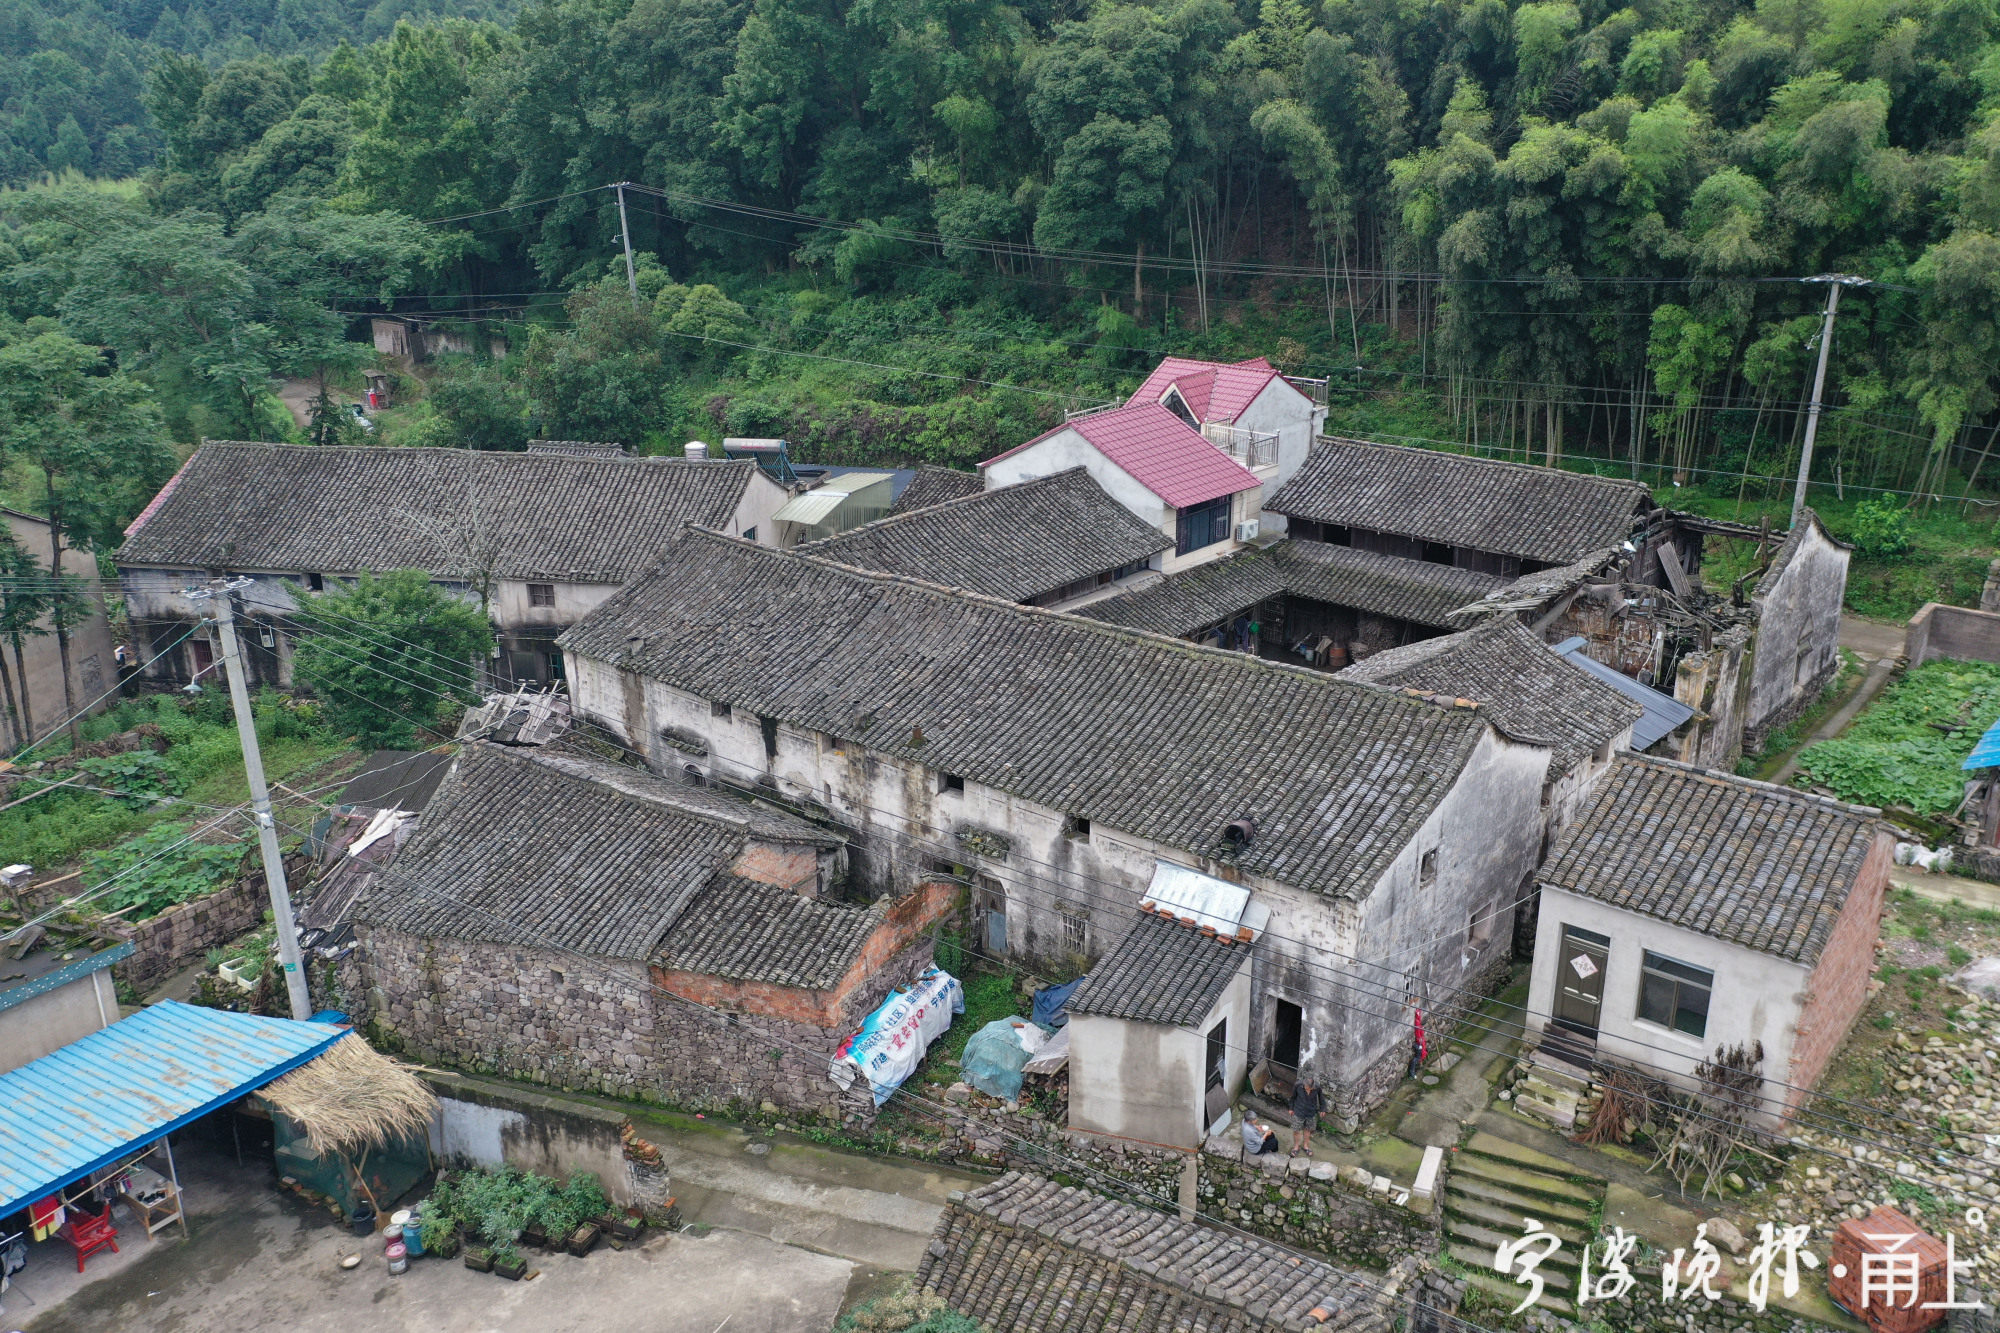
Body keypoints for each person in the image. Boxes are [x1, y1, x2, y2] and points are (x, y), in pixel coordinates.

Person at [1291, 1074, 1324, 1156]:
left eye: (1310, 1088)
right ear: (1303, 1084)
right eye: (1306, 1087)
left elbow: (1321, 1099)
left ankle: (1305, 1146)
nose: (1308, 1089)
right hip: (1299, 1111)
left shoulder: (1317, 1087)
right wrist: (1291, 1108)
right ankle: (1296, 1147)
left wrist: (1322, 1109)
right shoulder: (1298, 1085)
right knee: (1296, 1130)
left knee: (1308, 1130)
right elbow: (1293, 1097)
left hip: (1311, 1112)